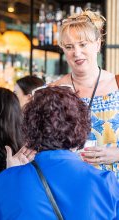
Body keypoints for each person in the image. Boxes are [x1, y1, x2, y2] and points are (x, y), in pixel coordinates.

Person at [0, 86, 119, 220]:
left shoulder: (6, 180)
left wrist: (13, 173)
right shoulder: (105, 181)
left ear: (29, 128)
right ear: (81, 128)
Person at [51, 10, 119, 180]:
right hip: (72, 184)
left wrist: (117, 154)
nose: (76, 52)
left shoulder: (117, 84)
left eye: (83, 44)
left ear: (97, 44)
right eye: (69, 47)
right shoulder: (54, 91)